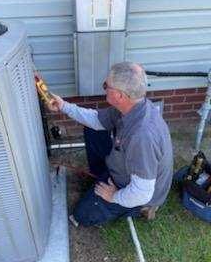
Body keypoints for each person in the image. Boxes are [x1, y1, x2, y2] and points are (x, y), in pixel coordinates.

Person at [47, 62, 173, 227]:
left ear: (120, 95)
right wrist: (64, 106)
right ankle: (101, 175)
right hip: (125, 167)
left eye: (106, 85)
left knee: (81, 215)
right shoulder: (131, 107)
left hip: (139, 195)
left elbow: (142, 193)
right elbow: (95, 120)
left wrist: (114, 196)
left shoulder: (142, 136)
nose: (104, 88)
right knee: (93, 129)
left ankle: (140, 210)